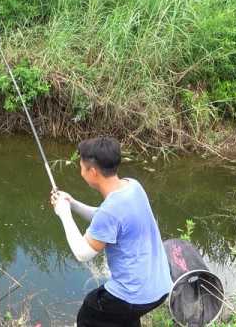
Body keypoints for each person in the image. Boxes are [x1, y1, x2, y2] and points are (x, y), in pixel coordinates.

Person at [50, 137, 172, 327]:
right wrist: (72, 204)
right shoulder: (132, 186)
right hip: (160, 287)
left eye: (81, 167)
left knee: (90, 312)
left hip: (135, 295)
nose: (80, 171)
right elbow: (105, 218)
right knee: (122, 317)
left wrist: (64, 214)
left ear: (92, 171)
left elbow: (83, 253)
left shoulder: (111, 211)